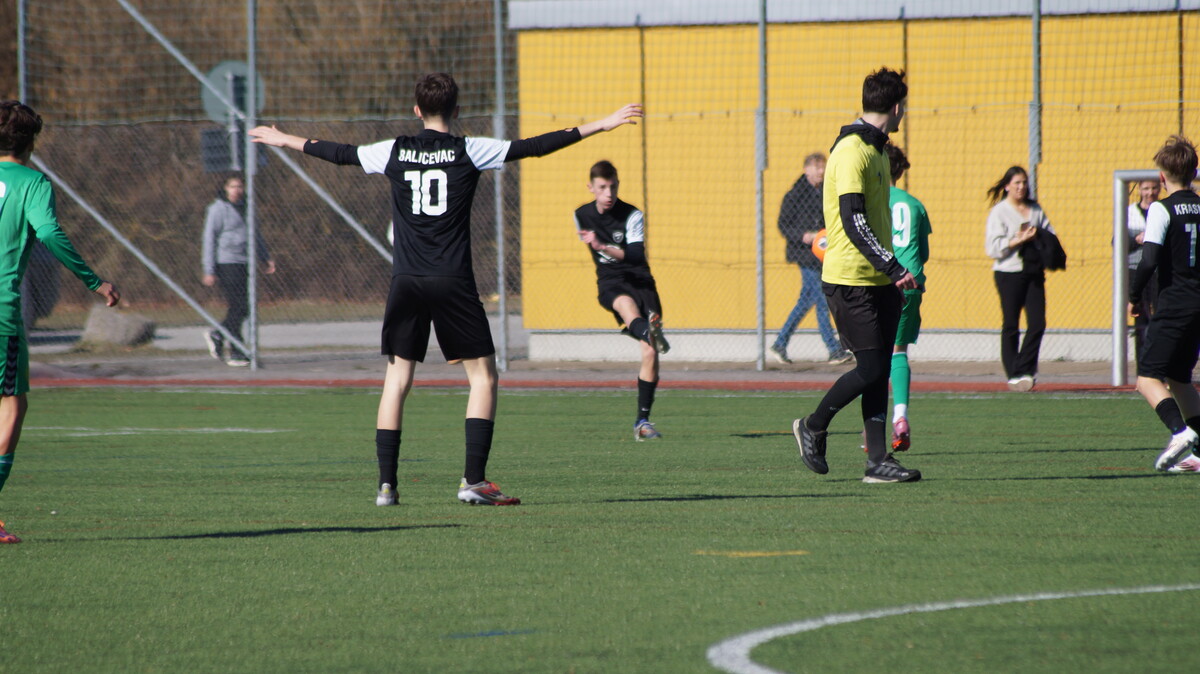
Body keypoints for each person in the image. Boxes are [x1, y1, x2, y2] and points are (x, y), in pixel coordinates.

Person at [250, 73, 642, 506]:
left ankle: (386, 486)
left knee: (397, 380)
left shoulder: (394, 150)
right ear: (457, 110)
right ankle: (473, 480)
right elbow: (535, 145)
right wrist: (601, 124)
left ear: (416, 110)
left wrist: (284, 139)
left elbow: (339, 153)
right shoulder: (469, 149)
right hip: (452, 280)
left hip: (406, 281)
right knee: (484, 377)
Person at [791, 68, 922, 484]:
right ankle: (812, 425)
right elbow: (853, 220)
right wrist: (893, 266)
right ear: (896, 107)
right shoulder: (852, 151)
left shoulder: (878, 150)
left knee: (879, 370)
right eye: (904, 107)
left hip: (878, 280)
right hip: (850, 280)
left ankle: (878, 462)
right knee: (870, 368)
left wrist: (888, 271)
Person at [0, 101, 121, 543]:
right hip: (1, 312)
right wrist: (95, 281)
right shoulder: (32, 182)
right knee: (11, 406)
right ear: (31, 142)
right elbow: (49, 232)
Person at [574, 160, 669, 441]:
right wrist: (599, 247)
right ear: (591, 187)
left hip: (641, 281)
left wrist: (602, 246)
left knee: (649, 354)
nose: (609, 193)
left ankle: (642, 422)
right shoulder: (581, 215)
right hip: (611, 282)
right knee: (626, 307)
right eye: (602, 187)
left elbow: (636, 255)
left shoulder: (632, 215)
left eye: (613, 186)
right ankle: (649, 332)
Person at [1128, 135, 1200, 473]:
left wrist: (1133, 296)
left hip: (1174, 303)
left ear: (1161, 176)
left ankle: (1180, 433)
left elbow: (1149, 260)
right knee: (1180, 379)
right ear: (1194, 172)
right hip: (1198, 305)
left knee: (1147, 378)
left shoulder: (1161, 208)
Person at [770, 153, 848, 365]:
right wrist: (803, 235)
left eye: (823, 167)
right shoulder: (795, 195)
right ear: (806, 170)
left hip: (823, 253)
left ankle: (780, 343)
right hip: (804, 254)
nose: (821, 171)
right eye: (816, 167)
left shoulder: (827, 192)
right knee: (822, 299)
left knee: (806, 301)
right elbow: (783, 225)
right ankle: (834, 350)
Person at [985, 166, 1055, 392]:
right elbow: (992, 248)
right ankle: (1014, 374)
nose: (1021, 187)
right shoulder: (999, 212)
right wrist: (1016, 240)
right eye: (1016, 183)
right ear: (1007, 186)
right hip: (1008, 273)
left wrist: (1040, 239)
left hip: (1033, 272)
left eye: (1024, 182)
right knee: (1011, 324)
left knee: (1037, 323)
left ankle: (1024, 368)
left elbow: (1050, 234)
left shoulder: (1035, 209)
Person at [885, 143, 931, 452]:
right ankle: (900, 417)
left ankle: (871, 428)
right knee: (898, 351)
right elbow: (922, 253)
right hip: (911, 283)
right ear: (900, 172)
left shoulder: (870, 201)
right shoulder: (915, 205)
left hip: (880, 282)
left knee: (872, 356)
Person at [201, 175, 275, 367]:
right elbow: (209, 238)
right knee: (238, 305)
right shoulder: (217, 209)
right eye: (233, 186)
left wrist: (265, 257)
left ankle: (220, 336)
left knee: (246, 307)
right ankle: (235, 350)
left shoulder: (247, 207)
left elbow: (255, 234)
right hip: (227, 263)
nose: (237, 190)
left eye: (240, 186)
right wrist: (209, 269)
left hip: (245, 262)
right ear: (226, 188)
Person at [1126, 178, 1161, 361]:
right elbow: (1117, 242)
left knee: (1161, 315)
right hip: (1135, 270)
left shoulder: (1163, 210)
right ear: (1139, 190)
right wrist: (1137, 240)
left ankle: (1160, 361)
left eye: (1154, 188)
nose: (1150, 192)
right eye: (1146, 188)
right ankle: (1142, 364)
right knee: (1140, 317)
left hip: (1159, 270)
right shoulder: (1130, 213)